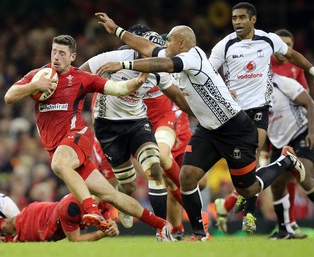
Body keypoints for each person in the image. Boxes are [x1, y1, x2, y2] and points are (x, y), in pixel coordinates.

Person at [94, 12, 305, 241]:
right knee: (187, 177)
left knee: (249, 188)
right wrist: (116, 29)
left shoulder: (192, 58)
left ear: (182, 43)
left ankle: (286, 160)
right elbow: (147, 47)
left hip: (234, 128)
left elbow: (163, 62)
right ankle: (199, 234)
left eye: (170, 40)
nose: (165, 44)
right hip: (208, 130)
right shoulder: (176, 52)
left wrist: (123, 64)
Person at [4, 34, 173, 241]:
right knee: (111, 195)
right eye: (54, 51)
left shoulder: (81, 78)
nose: (56, 57)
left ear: (72, 56)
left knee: (59, 165)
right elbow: (9, 96)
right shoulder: (38, 75)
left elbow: (117, 88)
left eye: (62, 53)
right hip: (59, 146)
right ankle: (162, 225)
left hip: (77, 137)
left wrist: (137, 81)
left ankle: (90, 208)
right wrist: (34, 86)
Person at [208, 2, 314, 234]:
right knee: (246, 167)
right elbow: (207, 74)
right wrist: (224, 88)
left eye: (242, 17)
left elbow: (294, 57)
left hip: (261, 112)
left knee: (253, 155)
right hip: (235, 112)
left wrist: (312, 70)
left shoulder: (269, 43)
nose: (237, 22)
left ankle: (249, 215)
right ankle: (237, 201)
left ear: (253, 19)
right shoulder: (225, 45)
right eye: (234, 18)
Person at [79, 27, 190, 231]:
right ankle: (119, 203)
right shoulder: (114, 58)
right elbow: (79, 76)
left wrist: (203, 112)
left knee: (155, 169)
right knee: (127, 186)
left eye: (154, 51)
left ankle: (162, 228)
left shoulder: (158, 69)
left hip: (138, 122)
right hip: (108, 127)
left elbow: (177, 97)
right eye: (147, 49)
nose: (151, 54)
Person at [266, 73, 314, 239]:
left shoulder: (283, 83)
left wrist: (312, 133)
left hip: (300, 133)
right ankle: (283, 230)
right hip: (278, 143)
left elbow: (309, 103)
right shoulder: (252, 93)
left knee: (305, 176)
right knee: (277, 185)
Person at [0, 194, 119, 242]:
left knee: (9, 227)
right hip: (39, 222)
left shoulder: (99, 198)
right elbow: (75, 240)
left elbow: (105, 214)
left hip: (40, 211)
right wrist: (100, 234)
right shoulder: (70, 209)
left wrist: (109, 225)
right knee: (10, 231)